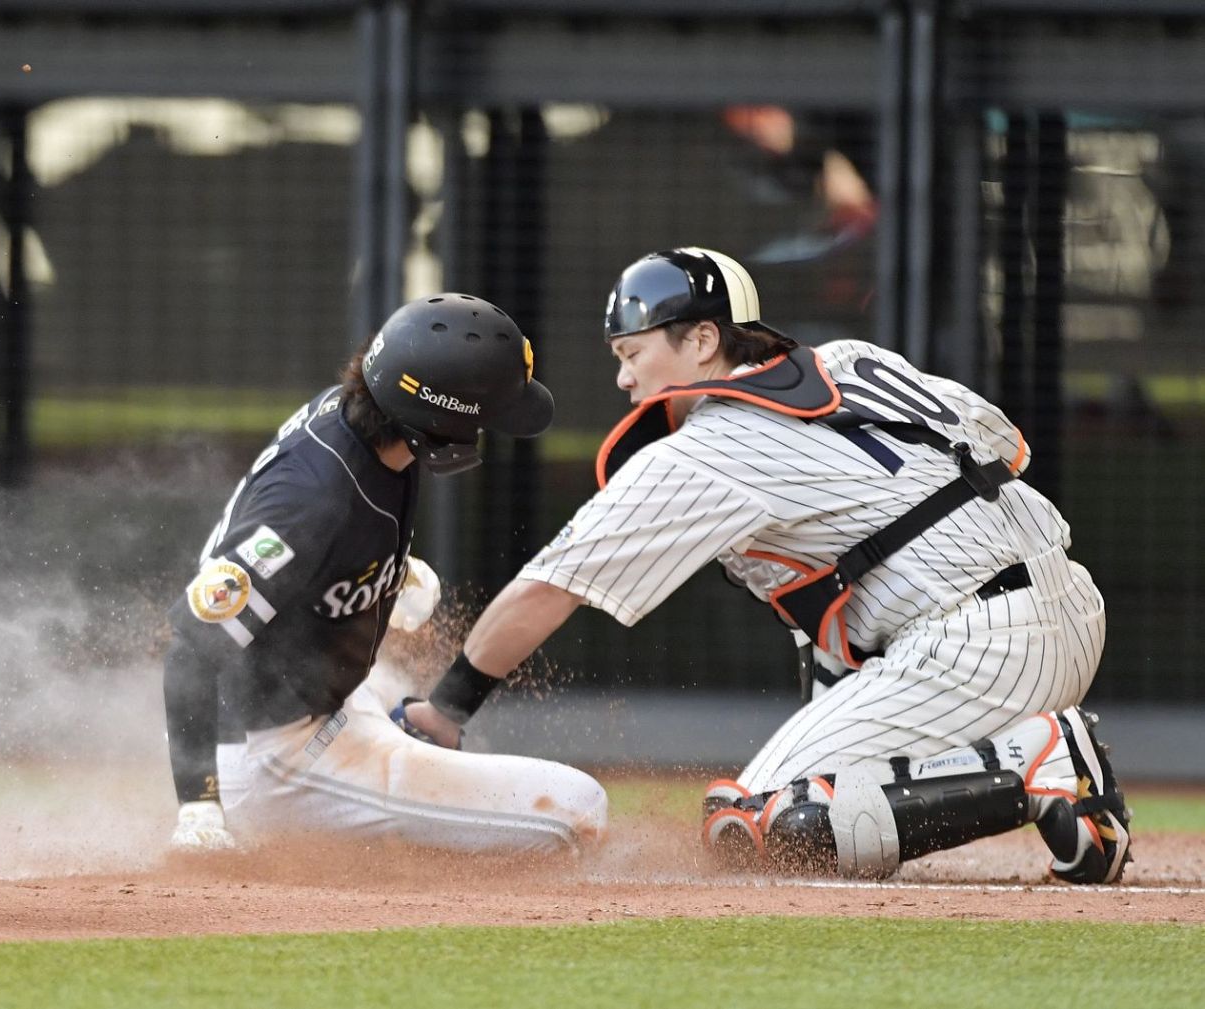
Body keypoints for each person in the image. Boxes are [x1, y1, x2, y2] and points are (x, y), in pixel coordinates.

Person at [400, 247, 1131, 884]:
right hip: (1062, 599)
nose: (623, 378)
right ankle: (1073, 805)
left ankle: (1042, 763)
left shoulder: (709, 449)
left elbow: (547, 589)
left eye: (632, 353)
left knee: (766, 829)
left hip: (978, 647)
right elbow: (998, 442)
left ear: (705, 339)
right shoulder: (846, 358)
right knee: (825, 683)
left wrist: (446, 707)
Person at [163, 293, 607, 854]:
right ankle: (303, 828)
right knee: (575, 808)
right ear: (440, 423)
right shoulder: (311, 503)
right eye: (485, 417)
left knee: (403, 699)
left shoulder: (371, 423)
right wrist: (200, 806)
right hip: (270, 749)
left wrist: (380, 575)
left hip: (325, 700)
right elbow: (190, 650)